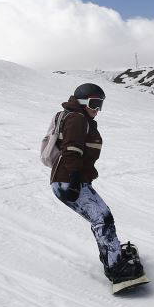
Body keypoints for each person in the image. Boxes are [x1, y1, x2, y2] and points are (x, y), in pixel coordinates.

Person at [49, 83, 143, 283]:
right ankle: (116, 267)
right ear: (83, 102)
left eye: (101, 105)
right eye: (95, 103)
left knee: (102, 219)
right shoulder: (77, 118)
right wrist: (74, 179)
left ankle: (112, 257)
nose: (98, 109)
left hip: (71, 180)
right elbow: (72, 150)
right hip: (68, 181)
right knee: (103, 220)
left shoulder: (79, 117)